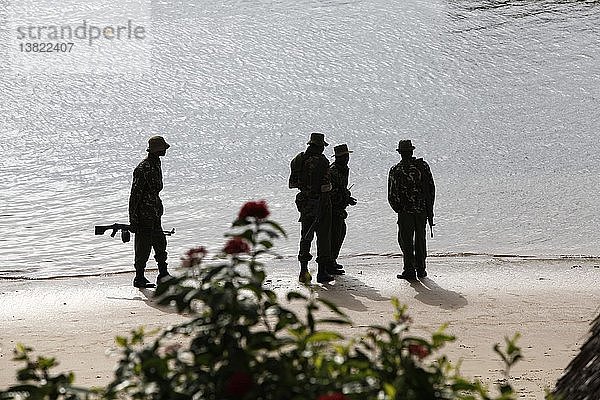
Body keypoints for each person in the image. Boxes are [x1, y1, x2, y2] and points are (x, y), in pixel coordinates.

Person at [289, 133, 339, 284]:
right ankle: (321, 273)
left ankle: (303, 271)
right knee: (323, 238)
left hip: (305, 203)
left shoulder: (298, 159)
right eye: (323, 146)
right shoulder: (322, 161)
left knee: (305, 237)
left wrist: (306, 187)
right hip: (320, 203)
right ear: (319, 146)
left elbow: (292, 183)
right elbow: (324, 187)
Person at [128, 136, 173, 288]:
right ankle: (139, 277)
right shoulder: (142, 168)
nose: (165, 150)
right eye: (163, 148)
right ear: (157, 150)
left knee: (160, 242)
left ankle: (163, 273)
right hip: (144, 214)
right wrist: (133, 219)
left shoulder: (156, 164)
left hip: (154, 212)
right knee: (143, 246)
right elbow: (134, 195)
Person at [388, 139, 435, 280]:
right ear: (412, 151)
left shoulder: (396, 169)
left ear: (401, 153)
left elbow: (391, 195)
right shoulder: (423, 167)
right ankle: (421, 269)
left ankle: (409, 269)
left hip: (405, 212)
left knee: (405, 241)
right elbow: (431, 189)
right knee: (420, 239)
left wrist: (398, 209)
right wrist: (429, 208)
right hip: (421, 210)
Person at [329, 144, 357, 272]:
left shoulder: (343, 169)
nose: (347, 158)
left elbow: (341, 189)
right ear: (338, 157)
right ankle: (330, 263)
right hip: (333, 209)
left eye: (347, 156)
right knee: (335, 235)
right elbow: (332, 192)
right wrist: (345, 197)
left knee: (340, 233)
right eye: (344, 156)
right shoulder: (333, 170)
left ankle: (332, 260)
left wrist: (347, 198)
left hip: (339, 208)